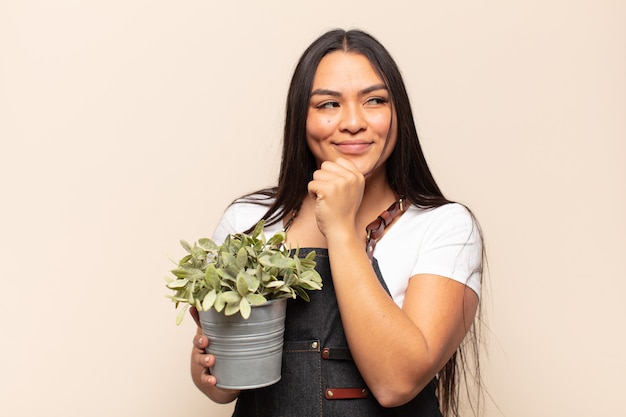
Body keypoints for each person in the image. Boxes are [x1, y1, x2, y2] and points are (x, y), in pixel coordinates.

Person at [190, 28, 484, 417]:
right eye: (328, 105)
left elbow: (397, 383)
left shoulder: (445, 227)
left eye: (374, 100)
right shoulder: (250, 219)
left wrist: (341, 228)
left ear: (399, 114)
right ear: (301, 117)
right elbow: (224, 389)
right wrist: (208, 367)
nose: (352, 122)